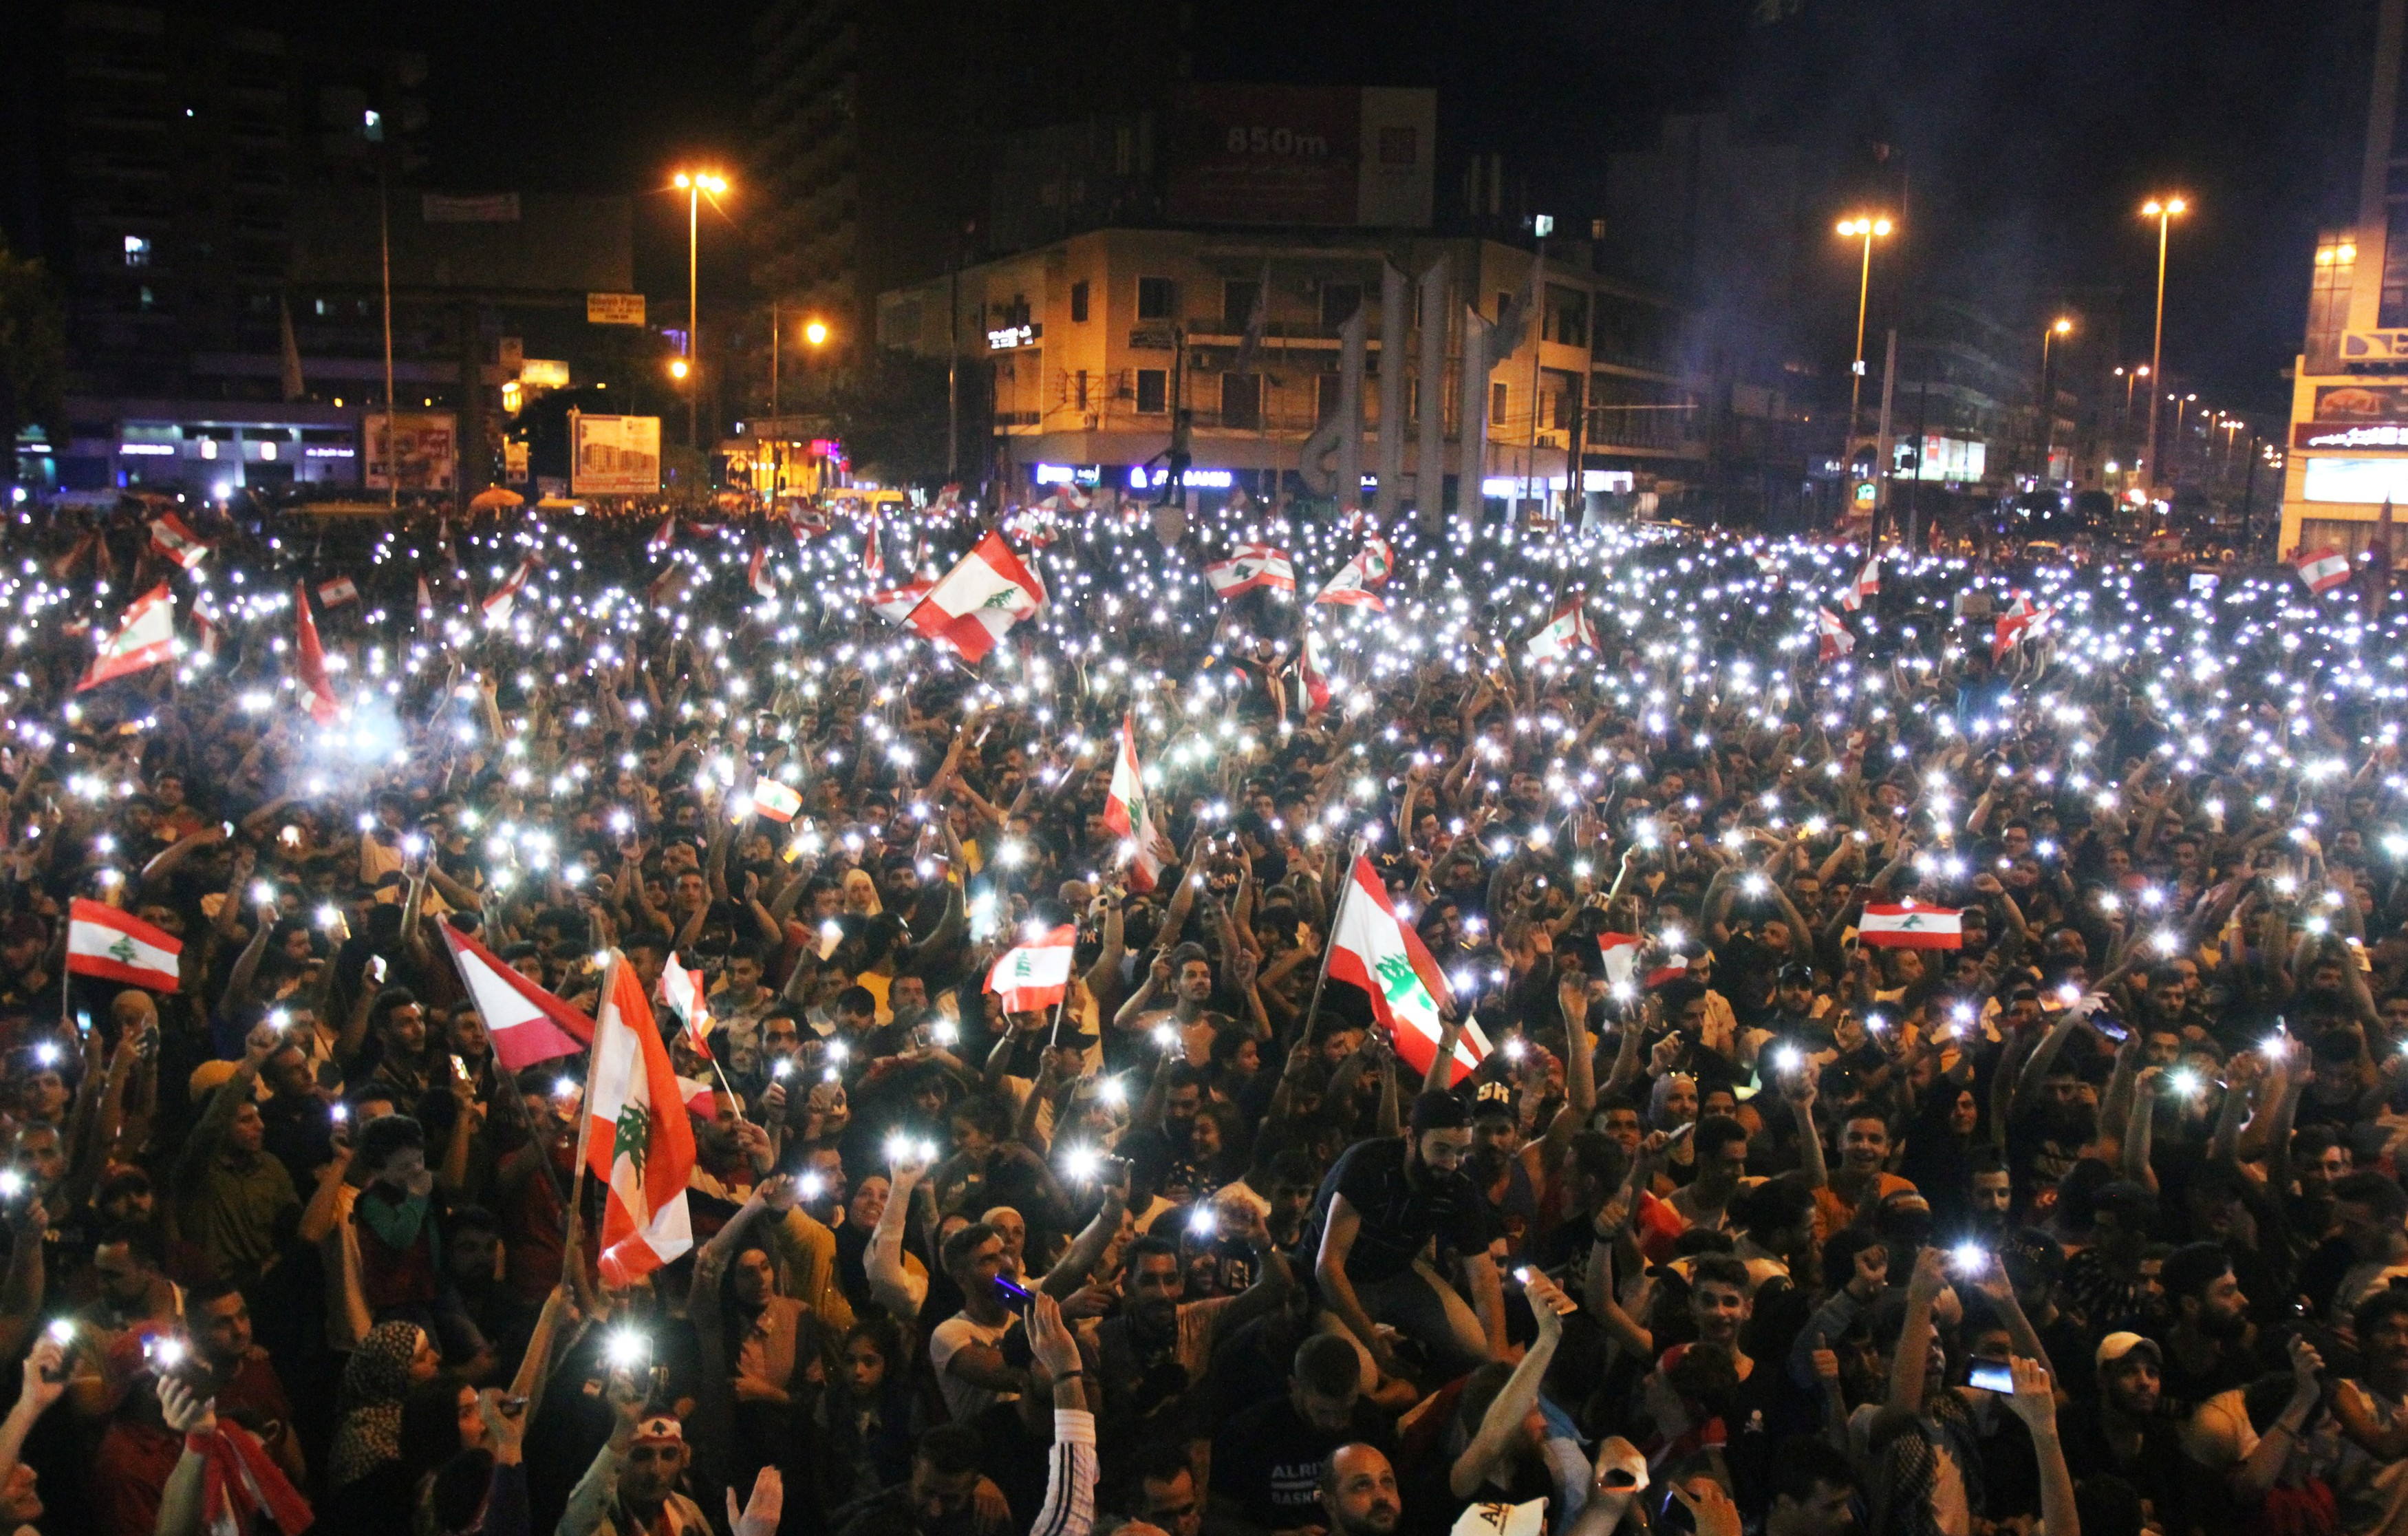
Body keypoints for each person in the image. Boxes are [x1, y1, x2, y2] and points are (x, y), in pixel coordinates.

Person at [1307, 1091, 1503, 1382]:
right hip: (1340, 1283)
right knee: (1363, 1378)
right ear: (1411, 1137)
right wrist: (1374, 1343)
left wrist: (1498, 1364)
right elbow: (1328, 1266)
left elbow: (1483, 1275)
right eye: (1441, 1150)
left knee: (1477, 1347)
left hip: (1396, 1276)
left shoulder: (1459, 1184)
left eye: (1461, 1152)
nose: (1452, 1163)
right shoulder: (1369, 1165)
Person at [1212, 1334, 1399, 1536]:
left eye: (1346, 1411)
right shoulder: (1250, 1433)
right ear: (1295, 1387)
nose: (1336, 1423)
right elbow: (1214, 1515)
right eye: (1323, 1412)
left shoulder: (1369, 1420)